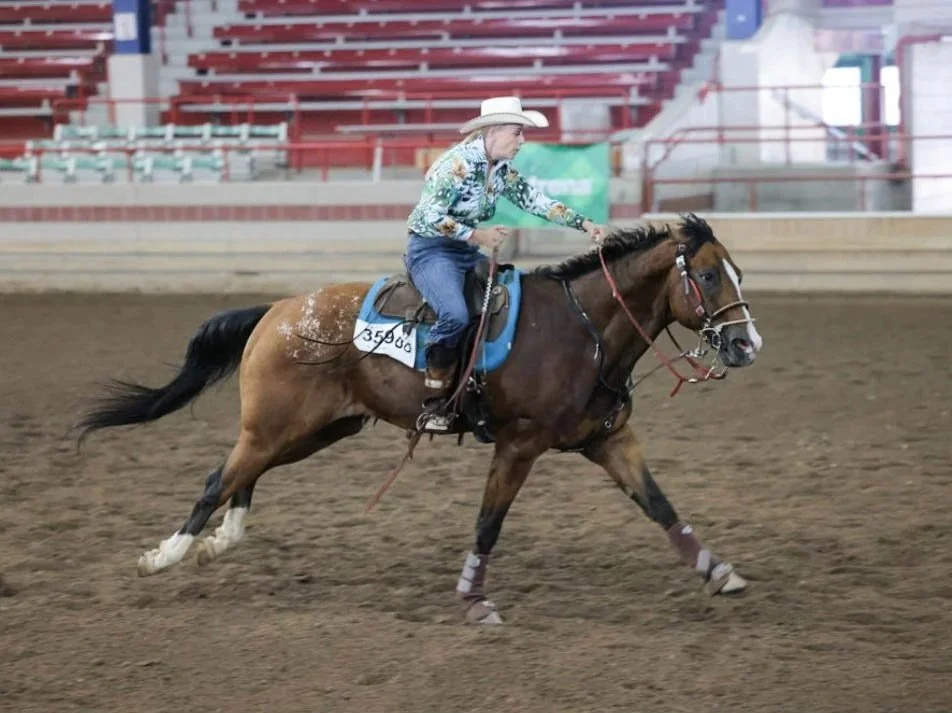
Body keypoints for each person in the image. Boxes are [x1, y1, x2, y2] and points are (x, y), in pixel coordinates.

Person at [404, 96, 606, 432]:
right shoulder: (455, 165)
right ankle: (434, 401)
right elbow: (426, 217)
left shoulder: (499, 171)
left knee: (513, 303)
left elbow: (534, 201)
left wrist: (583, 223)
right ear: (493, 131)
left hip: (464, 252)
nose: (522, 141)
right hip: (432, 250)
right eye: (517, 133)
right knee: (454, 314)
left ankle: (483, 390)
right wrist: (477, 236)